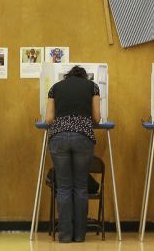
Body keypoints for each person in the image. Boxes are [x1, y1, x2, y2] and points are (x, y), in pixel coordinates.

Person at [45, 65, 101, 243]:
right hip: (82, 137)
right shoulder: (92, 87)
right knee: (80, 187)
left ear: (67, 77)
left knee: (63, 188)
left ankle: (65, 236)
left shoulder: (55, 87)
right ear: (84, 77)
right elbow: (97, 118)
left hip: (58, 137)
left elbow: (49, 119)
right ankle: (79, 236)